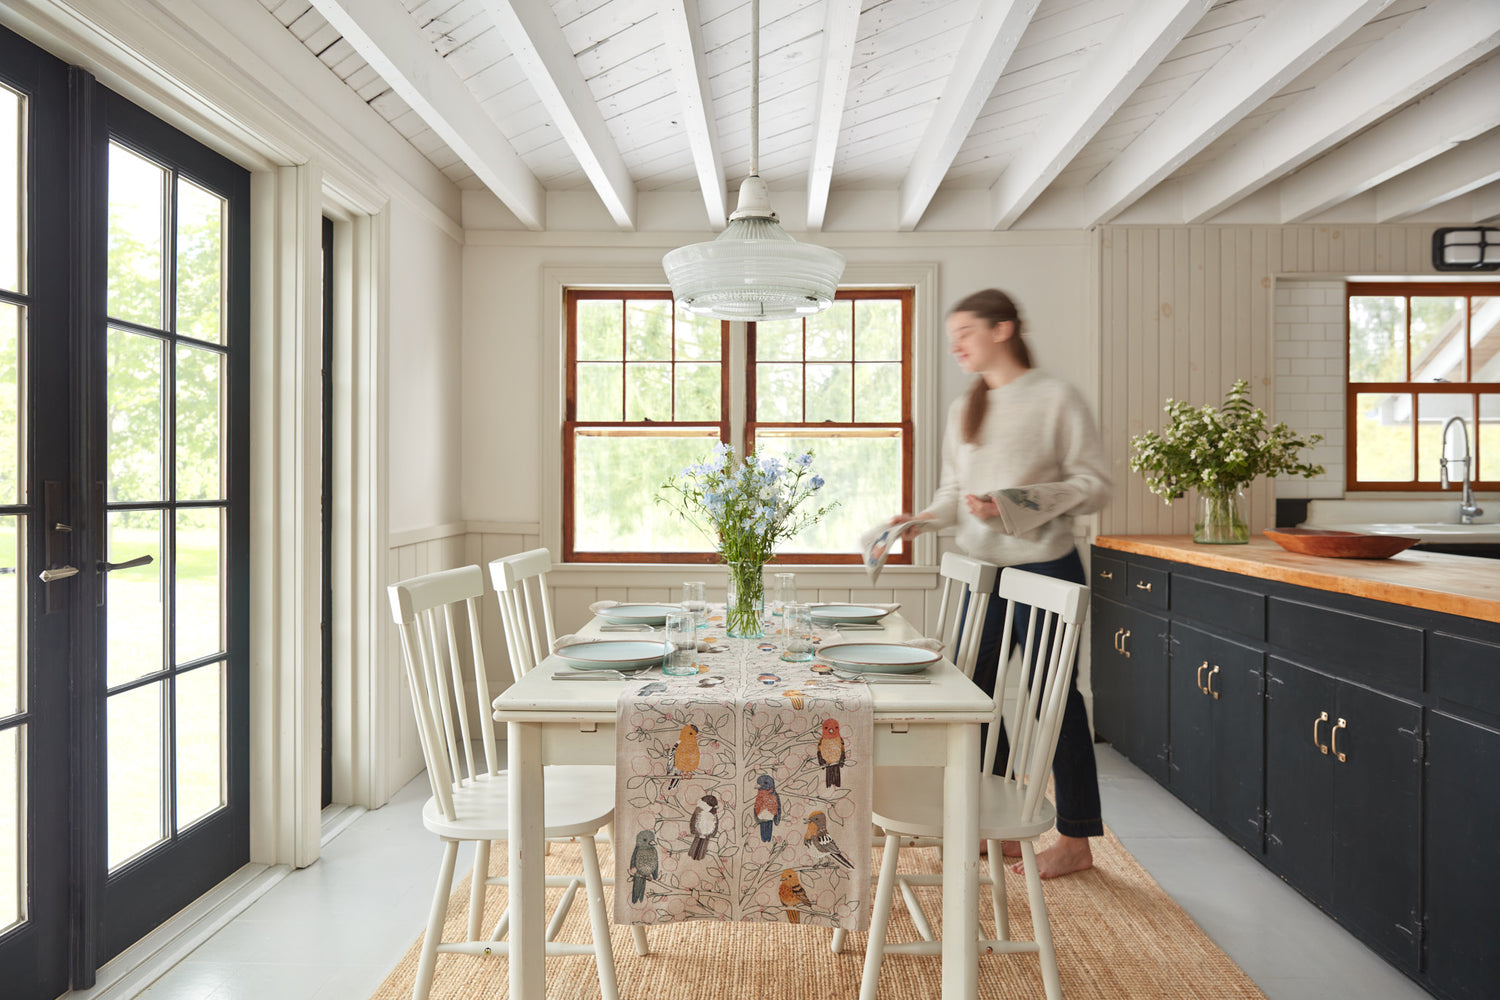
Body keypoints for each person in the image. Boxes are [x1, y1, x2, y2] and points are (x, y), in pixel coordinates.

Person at [890, 288, 1111, 879]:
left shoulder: (1055, 398)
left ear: (1003, 329)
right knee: (970, 697)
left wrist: (1013, 504)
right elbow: (951, 495)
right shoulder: (968, 406)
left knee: (1054, 701)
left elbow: (1095, 484)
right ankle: (1000, 819)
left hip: (1045, 565)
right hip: (982, 571)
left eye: (965, 331)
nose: (956, 343)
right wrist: (918, 520)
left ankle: (1077, 838)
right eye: (952, 335)